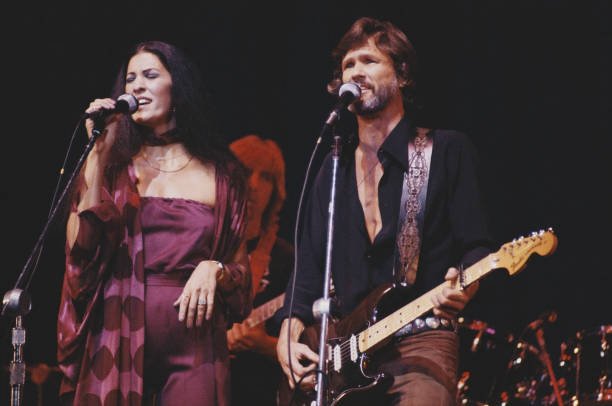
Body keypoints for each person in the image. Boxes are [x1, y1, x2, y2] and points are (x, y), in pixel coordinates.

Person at [275, 17, 494, 405]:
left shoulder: (445, 151)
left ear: (402, 75)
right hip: (342, 350)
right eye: (348, 65)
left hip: (420, 338)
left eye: (369, 61)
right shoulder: (332, 167)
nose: (356, 71)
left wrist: (466, 283)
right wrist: (289, 333)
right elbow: (309, 264)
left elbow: (477, 244)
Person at [56, 40, 252, 405]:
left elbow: (243, 278)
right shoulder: (114, 169)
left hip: (194, 348)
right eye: (130, 79)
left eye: (149, 75)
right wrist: (98, 155)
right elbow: (80, 249)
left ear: (177, 87)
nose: (136, 86)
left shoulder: (222, 175)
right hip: (117, 339)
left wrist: (216, 269)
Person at [227, 135, 294, 406]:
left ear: (276, 188)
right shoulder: (203, 242)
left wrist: (262, 343)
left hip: (259, 391)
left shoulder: (287, 259)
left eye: (265, 177)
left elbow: (306, 345)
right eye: (245, 172)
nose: (253, 185)